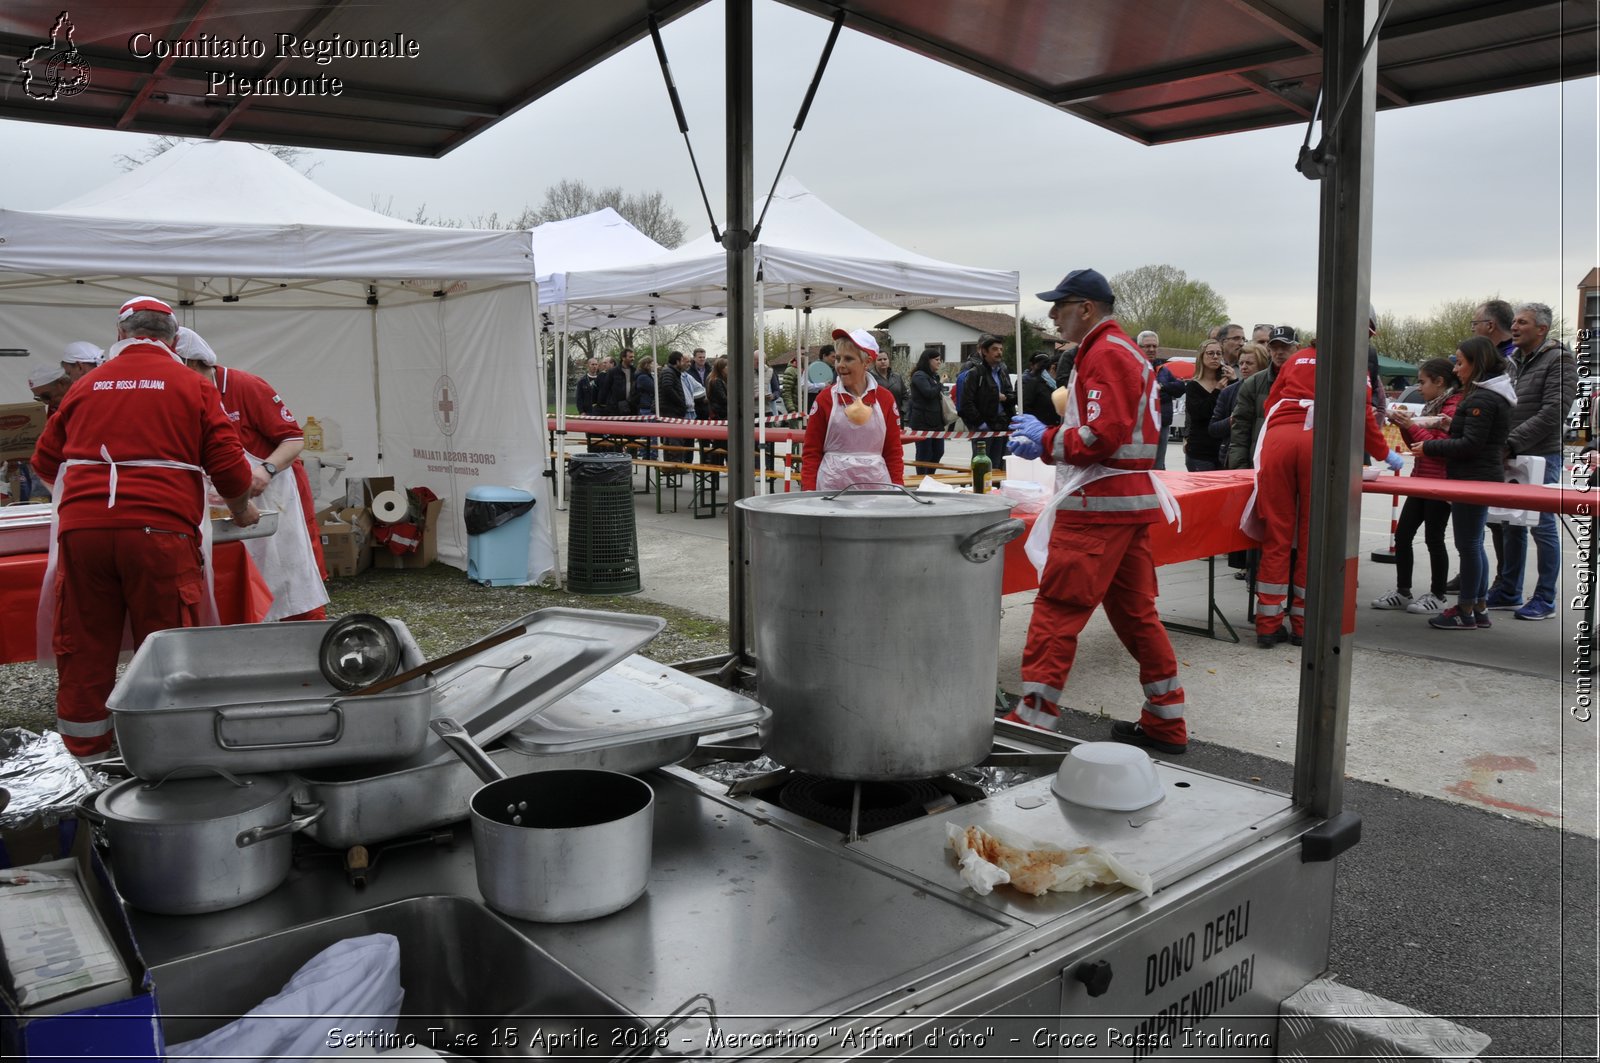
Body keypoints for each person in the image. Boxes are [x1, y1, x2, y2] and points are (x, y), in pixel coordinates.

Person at [30, 296, 258, 758]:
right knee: (165, 642)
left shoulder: (86, 384)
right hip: (160, 532)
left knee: (85, 639)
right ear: (174, 339)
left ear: (120, 336)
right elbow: (230, 468)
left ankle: (85, 745)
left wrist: (83, 500)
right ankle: (167, 748)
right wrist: (241, 510)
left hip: (83, 533)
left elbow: (44, 461)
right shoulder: (191, 385)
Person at [1003, 268, 1189, 755]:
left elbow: (1097, 437)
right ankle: (1166, 720)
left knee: (1059, 608)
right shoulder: (1125, 351)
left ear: (1086, 308)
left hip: (1097, 508)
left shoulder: (1104, 353)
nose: (1052, 315)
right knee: (1136, 616)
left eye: (1059, 306)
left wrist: (1042, 440)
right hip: (1129, 505)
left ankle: (1032, 719)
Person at [1247, 326, 1401, 648]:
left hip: (1278, 441)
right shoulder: (1354, 367)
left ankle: (1267, 624)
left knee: (1277, 534)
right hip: (1319, 444)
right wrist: (1387, 455)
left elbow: (1270, 404)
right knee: (1311, 537)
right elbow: (1364, 418)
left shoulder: (1297, 358)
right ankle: (1303, 625)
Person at [177, 327, 329, 622]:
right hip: (225, 504)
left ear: (192, 363)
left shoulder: (244, 386)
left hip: (275, 499)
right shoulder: (184, 395)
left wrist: (266, 469)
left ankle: (306, 637)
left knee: (289, 577)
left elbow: (294, 439)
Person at [1483, 302, 1576, 621]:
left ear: (1542, 329)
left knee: (1542, 526)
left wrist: (1512, 441)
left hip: (1541, 454)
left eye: (1523, 322)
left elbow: (1554, 412)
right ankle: (1509, 590)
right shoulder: (1512, 360)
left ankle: (1545, 598)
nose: (1516, 326)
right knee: (1511, 523)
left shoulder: (1559, 360)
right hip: (1512, 451)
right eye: (1515, 321)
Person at [1419, 337, 1517, 629]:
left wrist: (1429, 447)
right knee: (1473, 543)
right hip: (1479, 474)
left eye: (1460, 362)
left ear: (1478, 364)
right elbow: (1478, 436)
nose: (1456, 369)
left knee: (1469, 545)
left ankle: (1465, 609)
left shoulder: (1482, 398)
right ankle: (1478, 606)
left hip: (1473, 476)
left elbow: (1471, 444)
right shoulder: (1488, 394)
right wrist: (1447, 425)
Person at [1374, 358, 1459, 615]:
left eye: (1422, 382)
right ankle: (1403, 590)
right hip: (1422, 479)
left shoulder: (1453, 406)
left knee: (1434, 538)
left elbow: (1438, 447)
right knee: (1403, 535)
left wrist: (1413, 427)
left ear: (1439, 382)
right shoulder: (1433, 405)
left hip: (1440, 483)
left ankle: (1438, 595)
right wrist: (1406, 427)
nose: (1419, 387)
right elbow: (1419, 446)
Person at [799, 329, 903, 491]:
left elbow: (893, 451)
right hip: (832, 489)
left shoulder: (885, 399)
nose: (840, 365)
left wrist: (898, 489)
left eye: (848, 359)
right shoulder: (825, 398)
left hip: (876, 488)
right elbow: (811, 451)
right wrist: (809, 492)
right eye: (838, 358)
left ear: (867, 362)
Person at [1226, 329, 1295, 469]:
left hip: (1295, 461)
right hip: (1259, 463)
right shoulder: (1253, 383)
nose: (1279, 352)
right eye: (1274, 347)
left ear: (1296, 348)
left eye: (1285, 347)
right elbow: (1240, 431)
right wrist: (1240, 469)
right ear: (1269, 350)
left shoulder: (1310, 379)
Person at [956, 335, 1015, 471]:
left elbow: (1011, 395)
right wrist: (980, 423)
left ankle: (995, 491)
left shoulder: (1002, 372)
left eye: (1001, 349)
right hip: (984, 427)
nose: (999, 352)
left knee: (998, 467)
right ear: (984, 351)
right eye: (994, 349)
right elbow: (967, 403)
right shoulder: (975, 373)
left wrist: (1005, 399)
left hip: (1001, 426)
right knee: (982, 467)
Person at [1210, 343, 1264, 471]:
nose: (1244, 367)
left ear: (1262, 365)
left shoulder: (1272, 389)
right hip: (1234, 457)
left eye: (1249, 363)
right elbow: (1213, 428)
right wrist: (1233, 420)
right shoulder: (1229, 392)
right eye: (1241, 363)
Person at [1138, 331, 1185, 471]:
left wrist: (1162, 387)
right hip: (1140, 425)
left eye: (1154, 346)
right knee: (1141, 466)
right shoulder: (1133, 367)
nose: (1151, 349)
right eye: (1147, 346)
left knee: (1158, 466)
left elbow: (1180, 388)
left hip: (1162, 423)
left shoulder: (1164, 370)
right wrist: (1159, 392)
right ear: (1138, 347)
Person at [1182, 339, 1227, 471]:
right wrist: (1217, 391)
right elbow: (1199, 414)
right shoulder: (1193, 386)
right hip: (1200, 451)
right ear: (1201, 357)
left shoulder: (1227, 382)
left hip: (1223, 450)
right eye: (1210, 353)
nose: (1215, 357)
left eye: (1219, 353)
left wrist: (1234, 380)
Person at [906, 347, 949, 470]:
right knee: (924, 453)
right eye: (936, 359)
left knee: (938, 451)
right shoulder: (919, 376)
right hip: (922, 422)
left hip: (936, 422)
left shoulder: (934, 376)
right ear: (928, 360)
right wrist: (941, 383)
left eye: (940, 359)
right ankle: (921, 479)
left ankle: (930, 476)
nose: (939, 362)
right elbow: (929, 393)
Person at [1020, 351, 1061, 427]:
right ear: (1053, 368)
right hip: (1038, 431)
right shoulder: (1034, 383)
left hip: (1055, 431)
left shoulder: (1059, 386)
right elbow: (1026, 408)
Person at [870, 350, 910, 424]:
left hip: (896, 417)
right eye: (879, 360)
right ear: (874, 362)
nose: (883, 361)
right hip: (877, 419)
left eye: (885, 359)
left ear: (889, 360)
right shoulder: (869, 378)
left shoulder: (897, 377)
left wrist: (902, 410)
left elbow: (905, 396)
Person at [705, 356, 729, 467]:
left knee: (724, 443)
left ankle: (721, 464)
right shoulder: (716, 381)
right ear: (721, 368)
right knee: (720, 443)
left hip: (722, 414)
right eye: (727, 366)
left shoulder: (722, 380)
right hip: (720, 415)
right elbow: (723, 399)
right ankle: (717, 465)